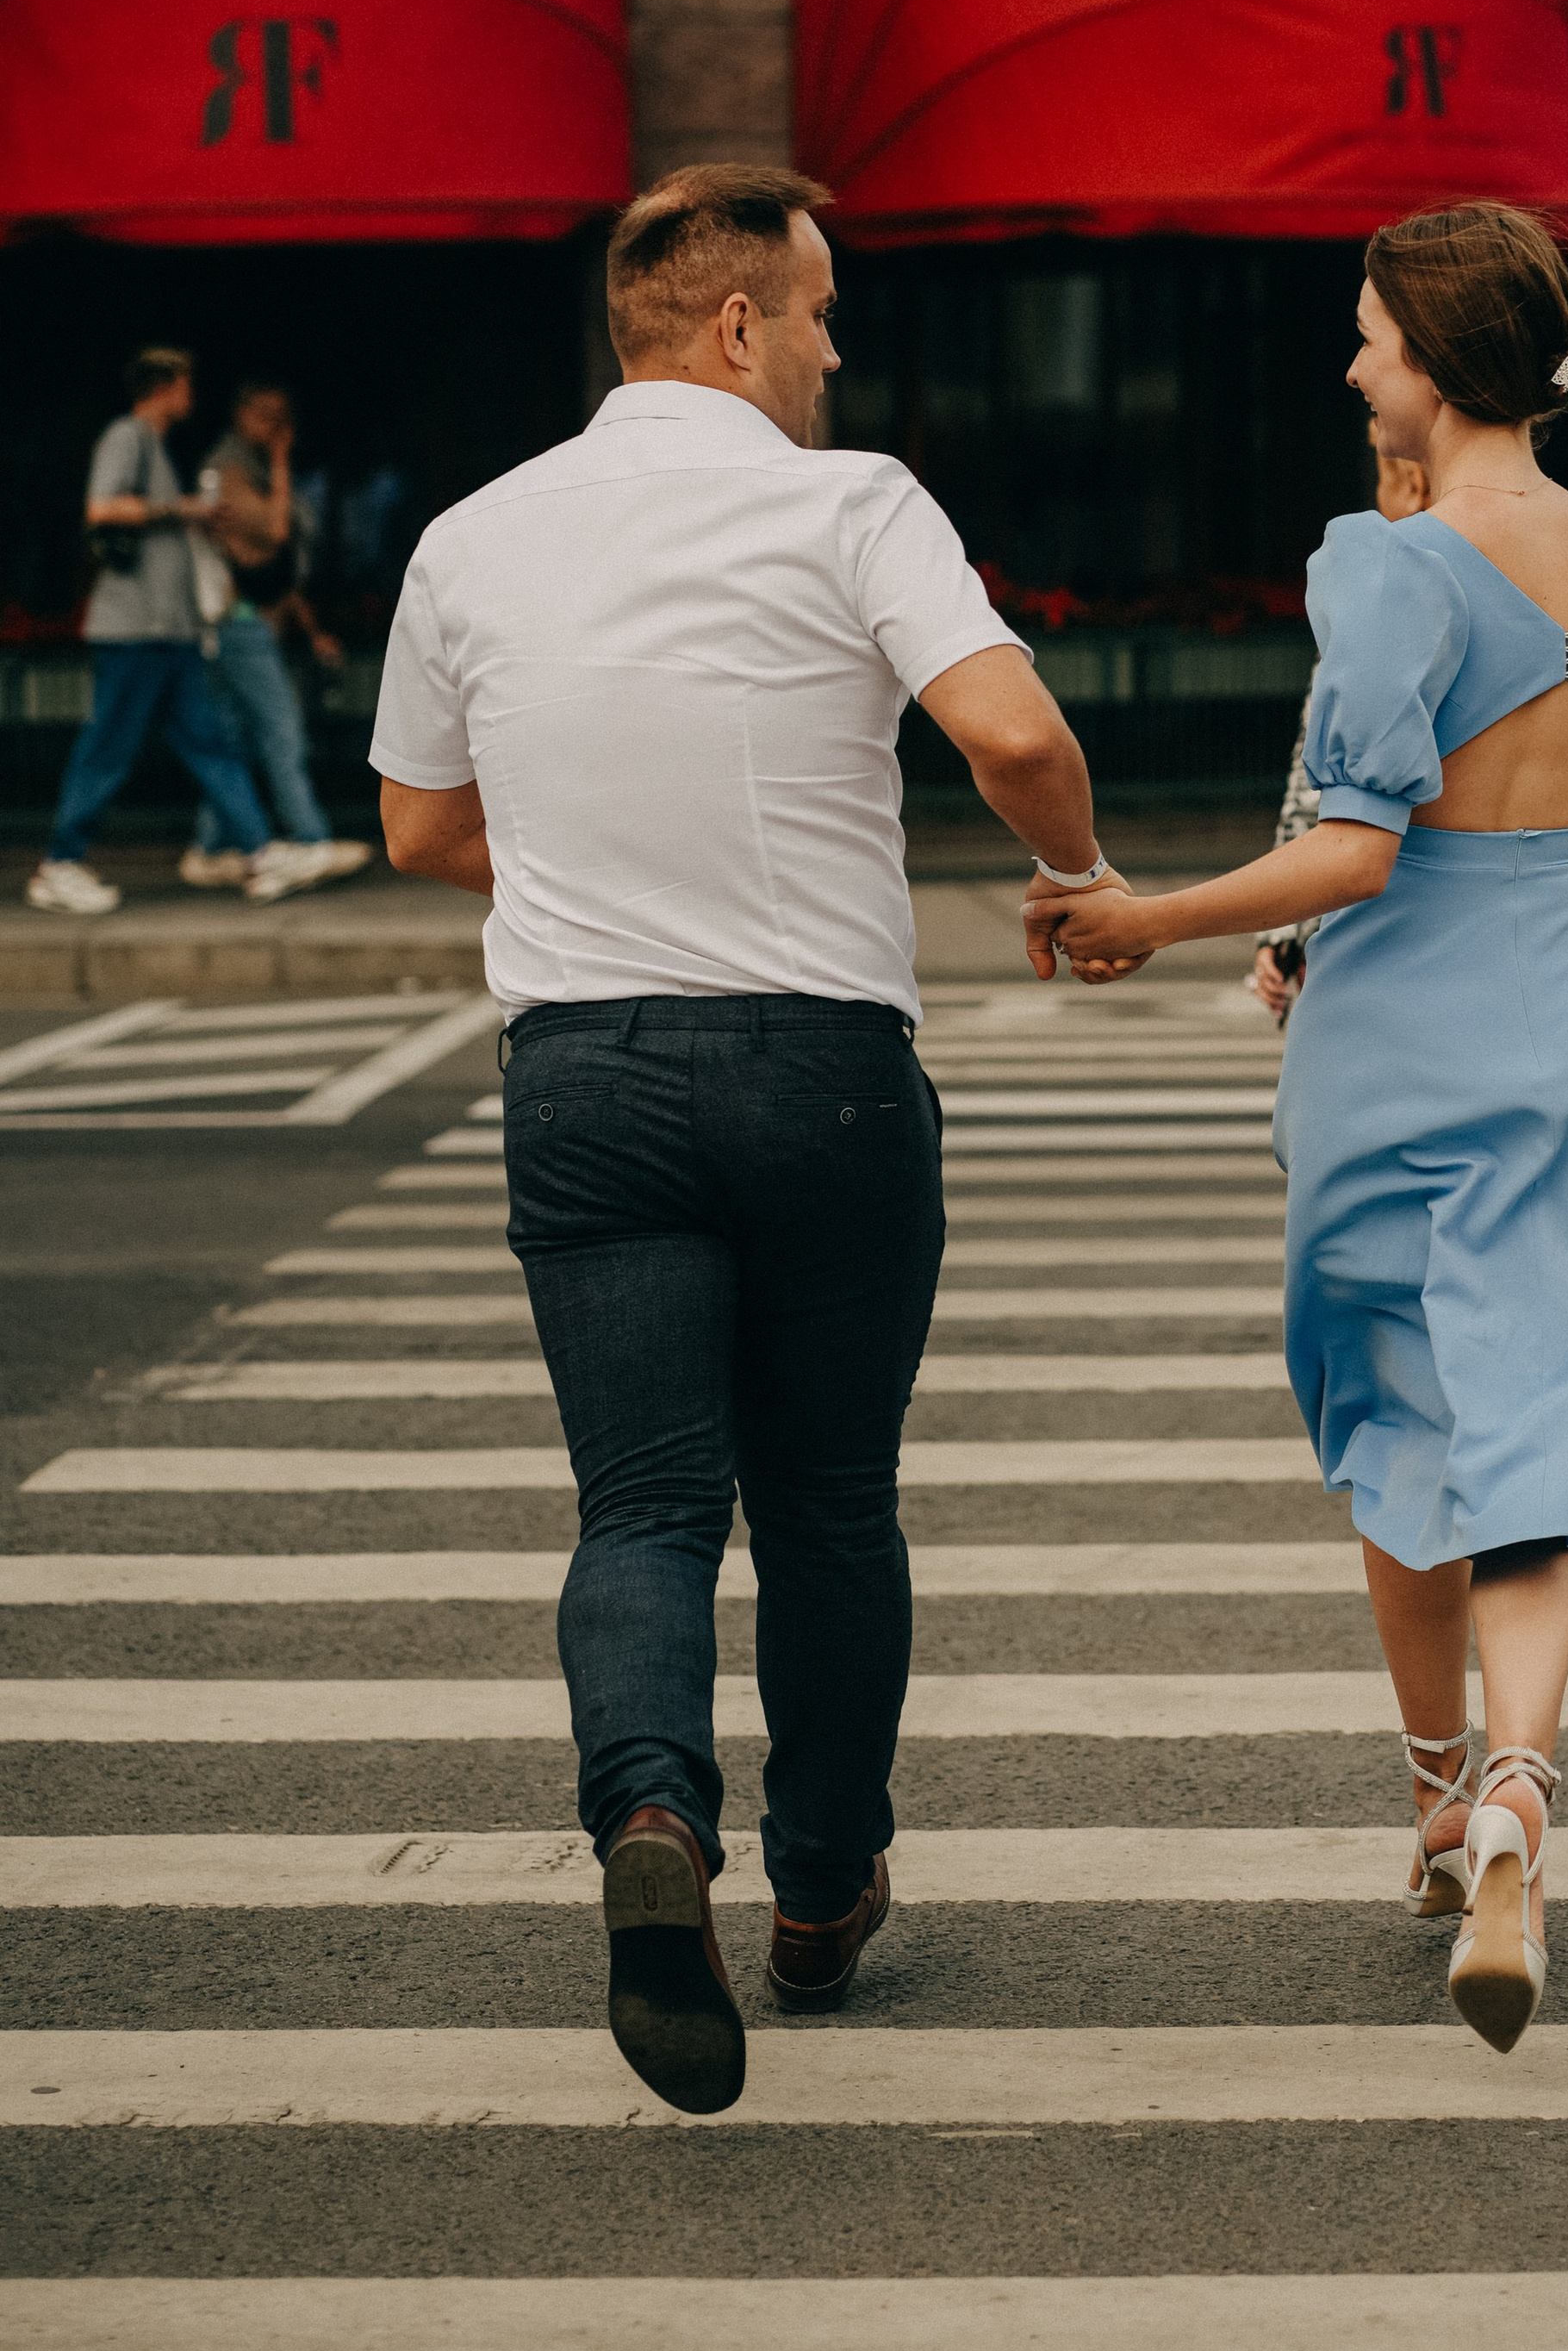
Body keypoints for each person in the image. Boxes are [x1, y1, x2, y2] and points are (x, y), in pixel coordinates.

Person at [1027, 205, 1568, 2056]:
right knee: (1536, 1440)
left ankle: (1433, 1791)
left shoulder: (1391, 568)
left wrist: (1151, 917)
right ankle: (1517, 1797)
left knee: (1403, 1432)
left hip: (1404, 1046)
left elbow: (1358, 847)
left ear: (1441, 364)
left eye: (1370, 339)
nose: (1351, 366)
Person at [372, 163, 1123, 2119]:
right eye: (818, 314)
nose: (832, 352)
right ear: (734, 325)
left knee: (639, 1507)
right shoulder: (851, 502)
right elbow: (1015, 736)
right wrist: (1077, 875)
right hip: (822, 1068)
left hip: (586, 1073)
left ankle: (650, 1813)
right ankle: (820, 1888)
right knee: (829, 1503)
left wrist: (585, 853)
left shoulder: (471, 535)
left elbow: (421, 827)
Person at [25, 348, 323, 918]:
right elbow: (102, 508)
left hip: (171, 632)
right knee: (110, 746)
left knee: (211, 744)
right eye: (186, 385)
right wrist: (184, 509)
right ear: (164, 386)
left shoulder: (154, 446)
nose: (192, 395)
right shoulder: (128, 436)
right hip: (135, 630)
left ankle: (259, 854)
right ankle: (60, 864)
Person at [1250, 446, 1428, 1024]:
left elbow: (1310, 798)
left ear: (1413, 489)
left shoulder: (1373, 608)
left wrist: (1281, 930)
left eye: (1381, 478)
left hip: (1359, 933)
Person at [180, 382, 371, 891]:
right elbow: (274, 534)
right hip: (236, 621)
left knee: (236, 738)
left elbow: (279, 575)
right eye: (267, 415)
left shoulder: (250, 467)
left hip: (243, 621)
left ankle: (210, 847)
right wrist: (283, 460)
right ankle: (309, 839)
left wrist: (312, 631)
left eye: (284, 416)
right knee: (282, 729)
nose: (278, 426)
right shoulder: (228, 468)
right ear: (240, 413)